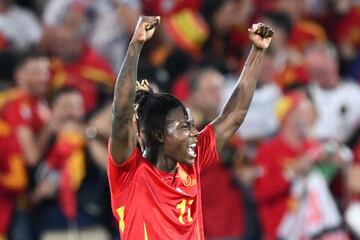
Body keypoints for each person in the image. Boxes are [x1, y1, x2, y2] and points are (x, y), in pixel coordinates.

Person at [108, 16, 273, 239]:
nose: (194, 133)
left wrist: (257, 52)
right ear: (159, 135)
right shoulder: (129, 171)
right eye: (185, 127)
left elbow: (234, 115)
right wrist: (136, 45)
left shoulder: (192, 160)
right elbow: (121, 114)